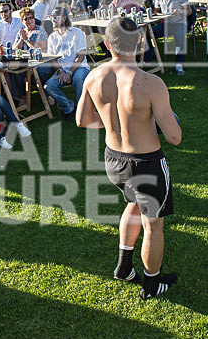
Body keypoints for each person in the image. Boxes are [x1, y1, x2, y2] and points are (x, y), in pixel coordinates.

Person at [76, 17, 181, 300]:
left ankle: (124, 268)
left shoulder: (93, 76)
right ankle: (151, 284)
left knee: (134, 204)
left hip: (114, 160)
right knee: (153, 224)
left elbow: (82, 120)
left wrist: (114, 125)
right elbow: (174, 137)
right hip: (145, 162)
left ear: (108, 45)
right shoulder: (151, 83)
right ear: (139, 42)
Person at [40, 7, 89, 120]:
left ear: (64, 18)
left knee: (78, 79)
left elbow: (81, 57)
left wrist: (70, 73)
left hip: (79, 67)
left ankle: (84, 111)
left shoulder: (77, 32)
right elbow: (52, 59)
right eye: (51, 18)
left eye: (55, 18)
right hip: (62, 69)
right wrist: (61, 71)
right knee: (49, 86)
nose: (53, 20)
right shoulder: (52, 37)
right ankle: (69, 107)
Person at [150, 0, 195, 75]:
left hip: (179, 23)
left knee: (180, 38)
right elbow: (157, 11)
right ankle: (149, 58)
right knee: (149, 33)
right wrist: (156, 13)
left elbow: (189, 12)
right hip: (166, 23)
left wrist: (179, 12)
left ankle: (179, 65)